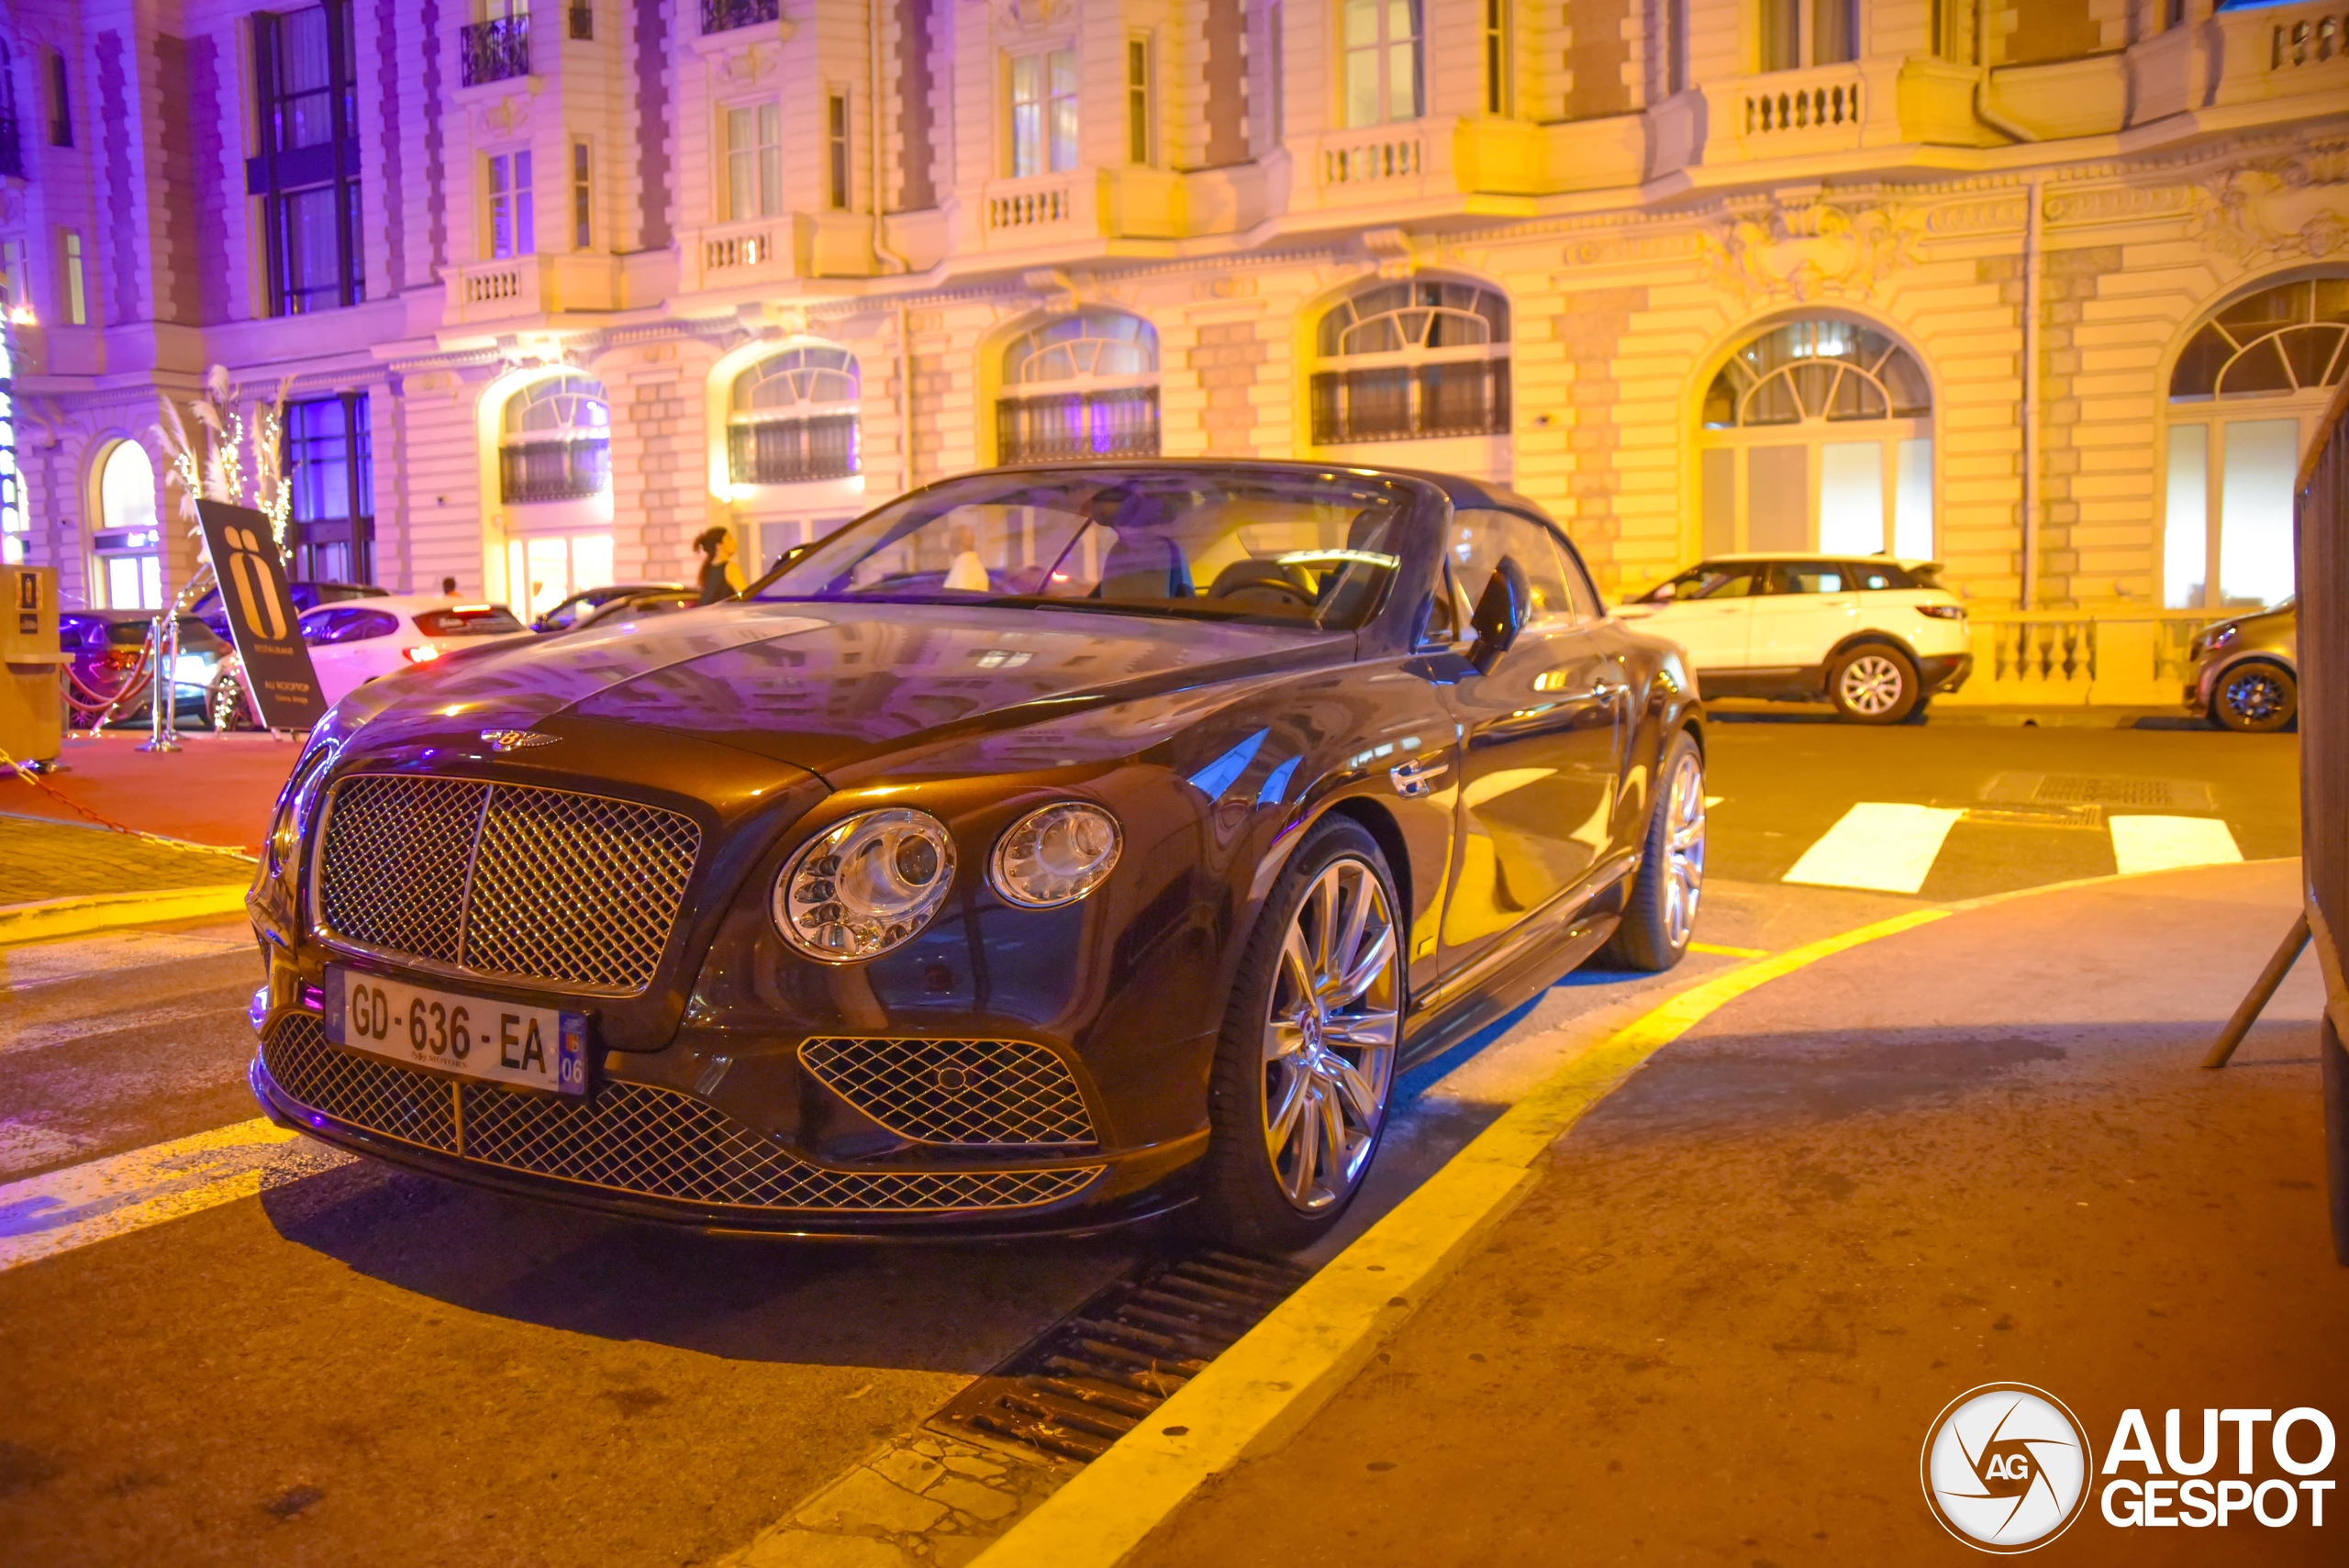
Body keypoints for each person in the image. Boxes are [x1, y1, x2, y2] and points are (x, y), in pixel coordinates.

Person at [695, 526, 746, 605]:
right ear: (719, 545)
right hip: (725, 615)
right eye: (729, 539)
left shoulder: (707, 569)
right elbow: (745, 596)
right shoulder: (730, 568)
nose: (734, 542)